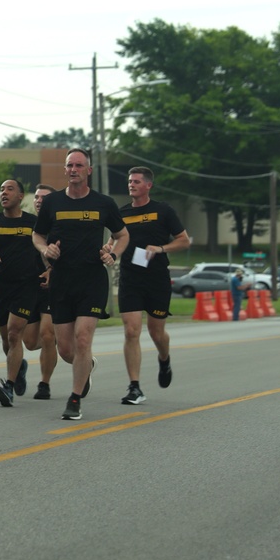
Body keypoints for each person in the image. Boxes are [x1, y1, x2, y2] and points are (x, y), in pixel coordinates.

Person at [32, 148, 128, 421]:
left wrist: (113, 254)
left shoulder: (104, 203)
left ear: (89, 170)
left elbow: (122, 236)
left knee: (83, 339)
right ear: (65, 170)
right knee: (66, 350)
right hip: (62, 281)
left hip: (91, 279)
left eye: (78, 165)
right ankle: (86, 367)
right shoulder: (53, 203)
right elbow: (37, 235)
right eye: (69, 165)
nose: (73, 169)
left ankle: (74, 400)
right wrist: (45, 249)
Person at [115, 167, 190, 405]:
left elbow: (184, 241)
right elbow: (114, 238)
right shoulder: (122, 213)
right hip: (130, 279)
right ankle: (134, 386)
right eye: (129, 181)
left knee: (156, 332)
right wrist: (109, 249)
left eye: (136, 181)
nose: (131, 185)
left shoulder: (163, 210)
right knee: (131, 330)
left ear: (148, 185)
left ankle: (164, 358)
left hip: (156, 279)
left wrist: (161, 249)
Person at [0, 179, 47, 407]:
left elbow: (46, 250)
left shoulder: (33, 223)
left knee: (13, 334)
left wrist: (50, 271)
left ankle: (8, 387)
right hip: (1, 286)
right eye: (1, 189)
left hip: (27, 285)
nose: (4, 193)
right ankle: (20, 367)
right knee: (6, 340)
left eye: (9, 189)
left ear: (20, 196)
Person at [31, 184, 59, 399]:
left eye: (45, 198)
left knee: (47, 335)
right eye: (37, 197)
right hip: (28, 288)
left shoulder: (59, 226)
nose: (40, 201)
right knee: (31, 342)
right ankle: (79, 355)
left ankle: (44, 384)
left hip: (54, 287)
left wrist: (51, 270)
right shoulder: (27, 224)